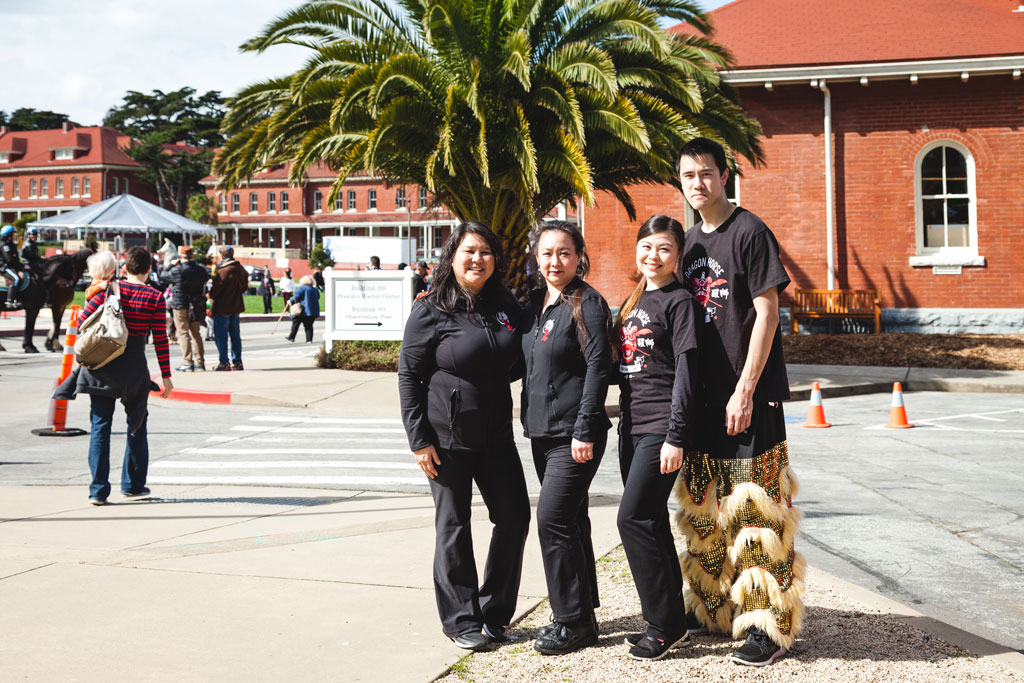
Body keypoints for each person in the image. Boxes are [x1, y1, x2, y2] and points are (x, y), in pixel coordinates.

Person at [676, 137, 804, 667]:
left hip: (748, 397)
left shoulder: (750, 232)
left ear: (725, 176)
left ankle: (766, 628)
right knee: (706, 507)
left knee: (755, 509)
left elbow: (767, 313)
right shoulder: (685, 242)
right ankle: (714, 607)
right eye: (688, 175)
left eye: (706, 173)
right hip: (702, 400)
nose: (698, 183)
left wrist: (745, 388)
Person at [398, 222, 530, 653]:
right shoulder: (431, 308)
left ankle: (493, 613)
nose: (478, 259)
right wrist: (419, 440)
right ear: (452, 256)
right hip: (445, 439)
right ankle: (460, 619)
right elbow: (409, 376)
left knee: (514, 518)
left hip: (496, 436)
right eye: (469, 251)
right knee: (453, 526)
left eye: (486, 252)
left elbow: (520, 355)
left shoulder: (505, 303)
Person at [519, 221, 613, 655]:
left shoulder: (586, 303)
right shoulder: (537, 303)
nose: (555, 261)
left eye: (564, 253)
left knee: (552, 520)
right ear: (536, 258)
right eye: (547, 253)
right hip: (542, 433)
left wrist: (585, 427)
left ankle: (571, 621)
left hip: (574, 435)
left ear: (578, 256)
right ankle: (583, 614)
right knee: (572, 521)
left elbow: (599, 368)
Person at [615, 214, 701, 661]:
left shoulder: (679, 301)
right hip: (630, 428)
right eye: (647, 247)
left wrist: (675, 435)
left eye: (664, 248)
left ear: (678, 255)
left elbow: (687, 371)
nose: (654, 255)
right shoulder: (631, 302)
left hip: (660, 428)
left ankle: (661, 625)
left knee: (630, 519)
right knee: (648, 520)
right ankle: (674, 618)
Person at [54, 248, 173, 505]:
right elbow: (161, 340)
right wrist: (166, 375)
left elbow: (84, 319)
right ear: (149, 269)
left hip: (102, 365)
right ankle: (133, 485)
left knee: (100, 427)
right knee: (137, 425)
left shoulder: (109, 289)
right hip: (134, 368)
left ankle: (98, 491)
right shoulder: (155, 296)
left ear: (125, 268)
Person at [160, 245, 210, 372]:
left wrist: (172, 264)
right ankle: (200, 363)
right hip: (196, 305)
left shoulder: (178, 270)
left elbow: (163, 276)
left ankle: (188, 362)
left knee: (183, 333)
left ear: (181, 256)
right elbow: (206, 278)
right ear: (192, 256)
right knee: (196, 334)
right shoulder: (200, 270)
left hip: (180, 304)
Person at [208, 246, 248, 371]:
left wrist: (209, 296)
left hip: (222, 308)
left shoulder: (223, 271)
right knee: (235, 336)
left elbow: (215, 291)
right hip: (235, 307)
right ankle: (237, 362)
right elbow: (244, 288)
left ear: (222, 256)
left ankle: (224, 362)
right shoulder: (240, 269)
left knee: (221, 337)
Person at [286, 275, 320, 343]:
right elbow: (318, 297)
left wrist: (290, 301)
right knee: (309, 326)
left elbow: (296, 297)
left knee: (296, 323)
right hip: (312, 311)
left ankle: (291, 337)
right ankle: (309, 339)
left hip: (302, 310)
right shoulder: (315, 289)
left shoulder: (301, 288)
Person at [1, 225, 26, 309]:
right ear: (8, 235)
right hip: (4, 267)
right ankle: (9, 300)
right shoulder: (4, 245)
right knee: (16, 278)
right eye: (13, 234)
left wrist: (20, 266)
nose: (14, 236)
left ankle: (17, 298)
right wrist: (21, 266)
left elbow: (15, 258)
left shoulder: (10, 244)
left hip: (10, 265)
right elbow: (10, 259)